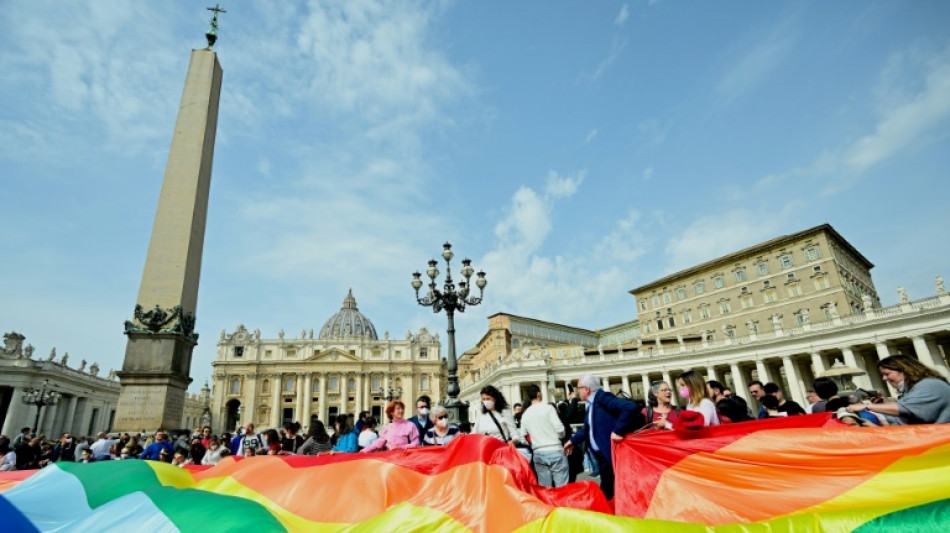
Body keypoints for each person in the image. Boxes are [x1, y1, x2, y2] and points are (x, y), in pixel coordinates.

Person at [563, 374, 642, 500]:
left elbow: (629, 407)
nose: (577, 391)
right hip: (602, 456)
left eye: (579, 388)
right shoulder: (591, 404)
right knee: (609, 488)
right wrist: (572, 441)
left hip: (609, 454)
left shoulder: (602, 397)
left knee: (608, 491)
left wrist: (618, 431)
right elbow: (587, 429)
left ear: (587, 389)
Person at [847, 355, 950, 424]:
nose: (884, 378)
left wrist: (866, 406)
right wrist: (881, 407)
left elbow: (905, 409)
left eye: (887, 374)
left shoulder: (930, 385)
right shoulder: (914, 388)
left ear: (905, 370)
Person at [520, 385, 568, 488]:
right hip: (555, 448)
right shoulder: (548, 408)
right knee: (562, 488)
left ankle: (547, 504)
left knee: (545, 488)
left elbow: (522, 437)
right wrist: (561, 437)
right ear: (538, 394)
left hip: (538, 452)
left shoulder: (525, 414)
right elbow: (560, 429)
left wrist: (533, 443)